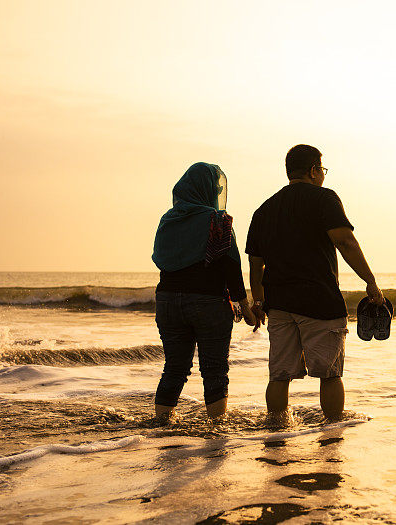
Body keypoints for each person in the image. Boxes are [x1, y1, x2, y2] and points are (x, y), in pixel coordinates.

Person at [245, 144, 384, 421]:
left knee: (279, 375)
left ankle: (276, 433)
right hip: (319, 301)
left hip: (280, 305)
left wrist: (258, 302)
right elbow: (344, 240)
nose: (323, 174)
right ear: (313, 170)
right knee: (330, 374)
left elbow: (255, 264)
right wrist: (370, 281)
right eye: (322, 169)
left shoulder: (264, 210)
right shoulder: (324, 198)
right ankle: (331, 438)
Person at [151, 162, 256, 421]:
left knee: (174, 368)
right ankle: (216, 430)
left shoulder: (168, 220)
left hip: (167, 301)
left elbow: (160, 259)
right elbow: (231, 267)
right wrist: (247, 308)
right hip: (208, 302)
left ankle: (161, 425)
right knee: (214, 369)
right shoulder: (218, 220)